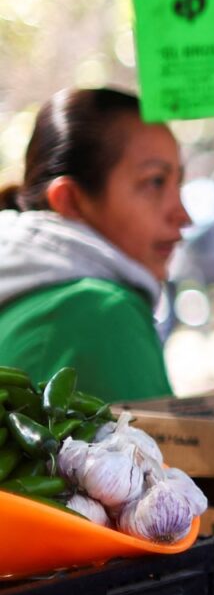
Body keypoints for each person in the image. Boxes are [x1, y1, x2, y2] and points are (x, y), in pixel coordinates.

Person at [0, 87, 189, 402]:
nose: (183, 215)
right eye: (155, 182)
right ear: (70, 200)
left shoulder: (25, 293)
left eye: (178, 182)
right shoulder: (102, 311)